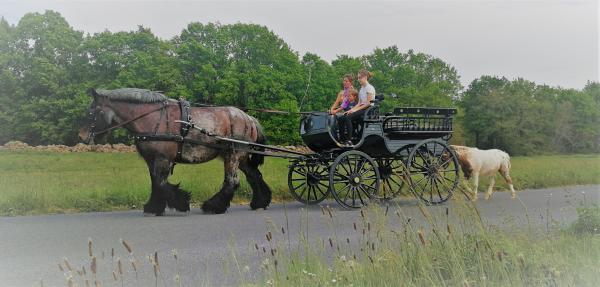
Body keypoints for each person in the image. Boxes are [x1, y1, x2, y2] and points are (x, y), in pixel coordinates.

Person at [337, 69, 375, 145]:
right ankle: (342, 138)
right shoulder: (362, 89)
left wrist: (354, 110)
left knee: (348, 117)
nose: (358, 80)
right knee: (341, 117)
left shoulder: (369, 88)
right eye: (358, 78)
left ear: (365, 77)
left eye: (360, 77)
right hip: (362, 108)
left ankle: (349, 140)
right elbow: (359, 103)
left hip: (368, 110)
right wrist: (351, 110)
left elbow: (368, 103)